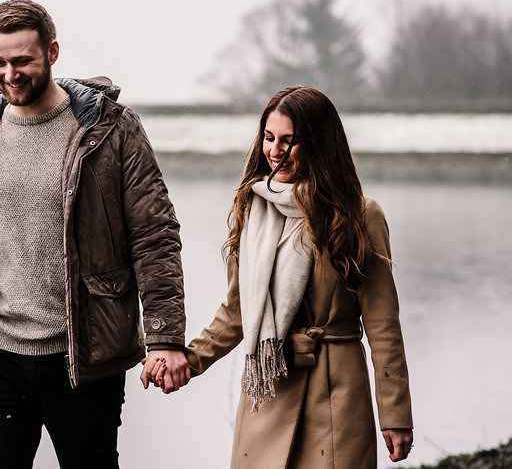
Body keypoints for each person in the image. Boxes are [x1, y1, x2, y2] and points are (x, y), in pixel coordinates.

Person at [0, 0, 186, 469]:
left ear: (53, 52)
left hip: (82, 358)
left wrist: (164, 337)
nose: (10, 73)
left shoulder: (110, 129)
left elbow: (154, 236)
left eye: (22, 60)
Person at [142, 86, 414, 467]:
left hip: (337, 395)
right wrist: (189, 359)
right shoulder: (252, 209)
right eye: (269, 138)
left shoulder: (359, 215)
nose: (275, 151)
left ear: (319, 143)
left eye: (290, 141)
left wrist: (395, 414)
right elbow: (238, 312)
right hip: (268, 391)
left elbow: (384, 326)